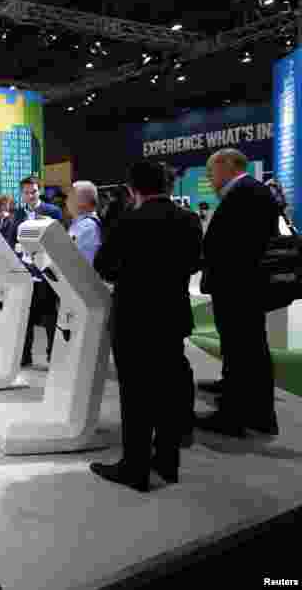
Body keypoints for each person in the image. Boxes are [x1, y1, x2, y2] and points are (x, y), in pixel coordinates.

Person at [89, 160, 203, 492]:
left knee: (136, 395)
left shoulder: (129, 221)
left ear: (133, 189)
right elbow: (196, 262)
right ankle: (167, 463)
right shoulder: (190, 220)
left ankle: (134, 467)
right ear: (167, 186)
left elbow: (105, 266)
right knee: (168, 389)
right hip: (173, 315)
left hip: (134, 319)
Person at [196, 149, 280, 437]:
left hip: (239, 287)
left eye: (211, 172)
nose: (210, 179)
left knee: (244, 347)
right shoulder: (251, 191)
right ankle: (255, 412)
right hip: (242, 286)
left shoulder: (245, 193)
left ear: (227, 166)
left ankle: (235, 416)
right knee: (246, 348)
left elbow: (235, 246)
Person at [13, 176, 63, 366]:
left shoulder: (53, 211)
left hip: (46, 273)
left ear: (39, 191)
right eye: (26, 192)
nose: (30, 195)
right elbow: (11, 240)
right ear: (21, 194)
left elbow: (59, 240)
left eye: (33, 191)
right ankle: (25, 356)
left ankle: (53, 356)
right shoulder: (17, 214)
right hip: (25, 274)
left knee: (51, 317)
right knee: (25, 317)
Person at [66, 181, 103, 264]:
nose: (66, 201)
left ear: (81, 201)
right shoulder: (83, 224)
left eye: (69, 197)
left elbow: (67, 257)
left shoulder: (86, 226)